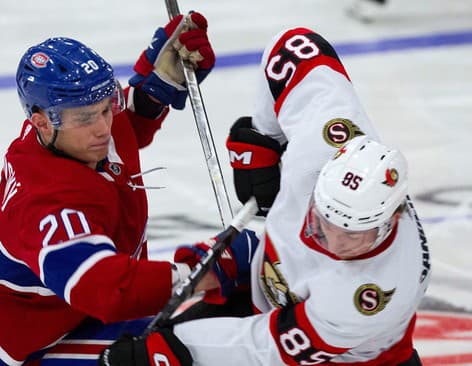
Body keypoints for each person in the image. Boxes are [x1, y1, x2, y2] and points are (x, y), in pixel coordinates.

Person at [99, 27, 431, 365]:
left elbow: (264, 348)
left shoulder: (371, 292)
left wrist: (171, 352)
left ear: (392, 221)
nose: (332, 241)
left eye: (352, 237)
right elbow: (296, 47)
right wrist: (265, 136)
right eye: (321, 221)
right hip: (270, 302)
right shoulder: (325, 144)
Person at [0, 12, 221, 365]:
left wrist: (158, 86)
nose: (102, 128)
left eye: (104, 109)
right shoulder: (45, 201)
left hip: (71, 317)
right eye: (85, 118)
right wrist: (200, 275)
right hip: (28, 351)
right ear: (41, 122)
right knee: (165, 354)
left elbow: (126, 123)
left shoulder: (70, 137)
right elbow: (106, 288)